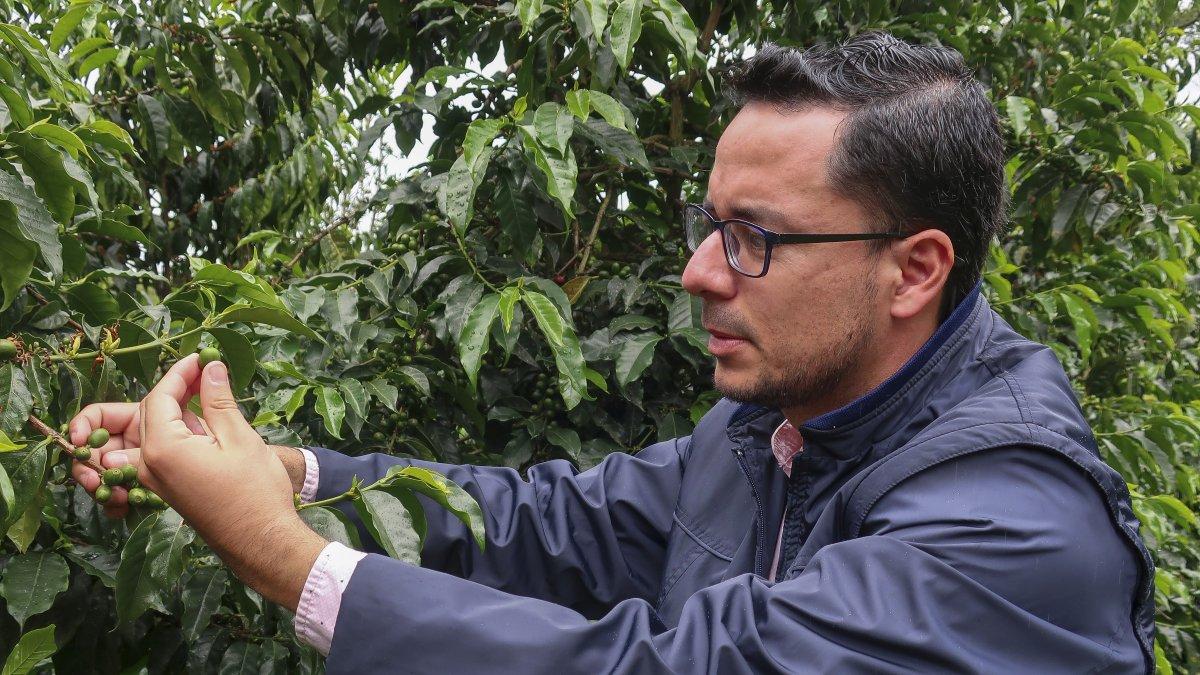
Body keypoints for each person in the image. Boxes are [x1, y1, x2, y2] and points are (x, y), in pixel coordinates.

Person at [71, 32, 1154, 673]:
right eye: (710, 222)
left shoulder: (1014, 534)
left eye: (756, 239)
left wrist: (285, 555)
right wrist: (292, 477)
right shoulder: (766, 430)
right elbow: (561, 526)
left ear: (915, 270)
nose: (700, 274)